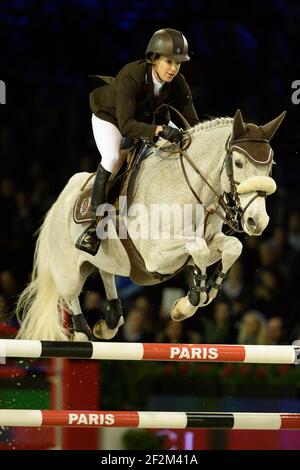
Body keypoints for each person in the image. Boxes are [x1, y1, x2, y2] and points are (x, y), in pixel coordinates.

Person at [76, 28, 200, 255]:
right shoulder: (131, 75)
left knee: (183, 142)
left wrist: (198, 139)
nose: (174, 68)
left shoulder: (178, 82)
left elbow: (192, 122)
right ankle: (94, 225)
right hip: (111, 118)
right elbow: (126, 126)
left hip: (148, 120)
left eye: (178, 63)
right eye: (169, 62)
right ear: (154, 59)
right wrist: (161, 130)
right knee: (112, 157)